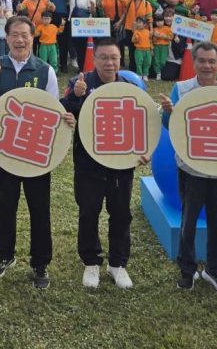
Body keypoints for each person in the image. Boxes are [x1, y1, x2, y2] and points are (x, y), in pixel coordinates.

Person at [0, 15, 73, 289]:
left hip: (35, 151)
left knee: (39, 207)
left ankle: (40, 262)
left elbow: (54, 108)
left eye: (25, 35)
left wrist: (66, 119)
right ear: (6, 37)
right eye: (15, 35)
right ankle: (4, 255)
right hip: (7, 149)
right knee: (6, 205)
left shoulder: (44, 70)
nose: (20, 40)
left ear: (33, 38)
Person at [159, 41, 217, 295]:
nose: (207, 66)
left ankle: (215, 270)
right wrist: (168, 112)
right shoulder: (182, 88)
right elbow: (170, 126)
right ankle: (187, 270)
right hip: (191, 168)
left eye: (212, 61)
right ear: (194, 62)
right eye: (202, 61)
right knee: (188, 221)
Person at [61, 38, 142, 289]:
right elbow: (64, 113)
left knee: (121, 213)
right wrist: (75, 98)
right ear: (94, 59)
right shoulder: (79, 83)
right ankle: (91, 261)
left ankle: (118, 263)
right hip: (88, 162)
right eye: (104, 57)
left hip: (120, 164)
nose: (109, 63)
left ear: (120, 60)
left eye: (114, 58)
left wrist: (143, 150)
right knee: (89, 211)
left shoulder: (129, 87)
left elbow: (140, 124)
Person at [131, 16, 153, 81]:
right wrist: (135, 38)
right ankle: (139, 75)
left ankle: (145, 74)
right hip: (139, 50)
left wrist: (151, 49)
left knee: (147, 62)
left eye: (140, 22)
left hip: (147, 50)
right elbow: (132, 40)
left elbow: (150, 41)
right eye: (137, 22)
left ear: (144, 24)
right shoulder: (136, 32)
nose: (138, 24)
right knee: (139, 63)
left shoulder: (148, 31)